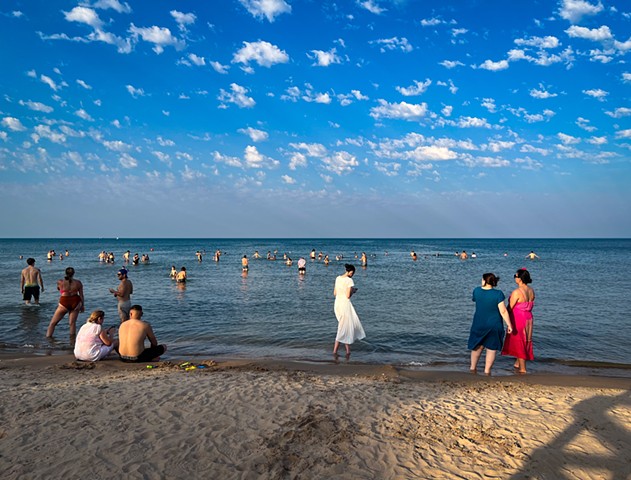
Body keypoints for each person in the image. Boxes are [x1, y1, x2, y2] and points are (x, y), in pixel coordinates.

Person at [467, 273, 512, 375]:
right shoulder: (498, 294)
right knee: (491, 349)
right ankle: (487, 371)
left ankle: (472, 368)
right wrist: (509, 325)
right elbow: (503, 311)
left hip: (478, 323)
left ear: (484, 280)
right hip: (494, 325)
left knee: (477, 346)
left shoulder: (477, 291)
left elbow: (475, 299)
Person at [502, 268, 535, 373]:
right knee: (525, 340)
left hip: (519, 318)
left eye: (515, 276)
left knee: (519, 341)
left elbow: (510, 308)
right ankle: (517, 363)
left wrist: (503, 316)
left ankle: (523, 369)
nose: (514, 278)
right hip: (528, 318)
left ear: (520, 278)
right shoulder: (531, 290)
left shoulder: (517, 292)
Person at [333, 264, 366, 358]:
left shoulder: (338, 278)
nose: (352, 275)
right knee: (343, 328)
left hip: (337, 304)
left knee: (344, 327)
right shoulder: (349, 280)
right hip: (345, 305)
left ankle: (347, 350)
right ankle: (335, 351)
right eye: (352, 273)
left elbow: (335, 293)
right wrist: (353, 291)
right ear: (351, 272)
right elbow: (348, 296)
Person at [46, 267, 85, 338]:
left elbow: (59, 289)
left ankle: (48, 339)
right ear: (73, 273)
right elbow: (81, 295)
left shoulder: (60, 282)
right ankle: (72, 342)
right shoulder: (78, 283)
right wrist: (82, 305)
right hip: (75, 301)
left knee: (52, 323)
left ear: (65, 273)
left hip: (64, 301)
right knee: (72, 323)